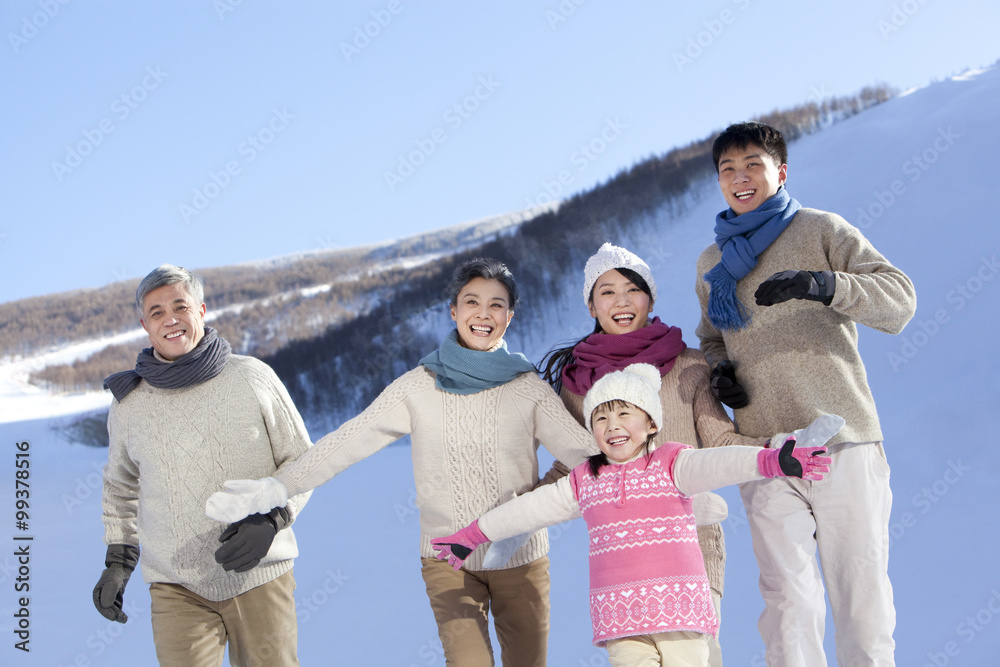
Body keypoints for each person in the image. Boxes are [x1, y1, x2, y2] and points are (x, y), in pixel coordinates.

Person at [204, 257, 598, 667]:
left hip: (521, 560)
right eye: (472, 302)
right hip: (449, 560)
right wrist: (279, 487)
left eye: (496, 304)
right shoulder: (418, 386)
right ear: (454, 310)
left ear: (510, 316)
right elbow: (349, 440)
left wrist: (530, 510)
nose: (483, 314)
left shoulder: (528, 389)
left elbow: (589, 461)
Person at [432, 363, 835, 667]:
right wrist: (473, 534)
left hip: (680, 613)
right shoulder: (584, 481)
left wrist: (773, 461)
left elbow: (721, 463)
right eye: (601, 418)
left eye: (624, 413)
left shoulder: (671, 463)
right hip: (621, 621)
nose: (612, 425)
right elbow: (528, 510)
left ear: (650, 423)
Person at [694, 121, 917, 666]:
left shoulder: (821, 229)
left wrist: (826, 285)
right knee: (789, 607)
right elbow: (710, 337)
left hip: (843, 438)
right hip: (767, 451)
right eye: (728, 170)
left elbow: (900, 299)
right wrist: (720, 370)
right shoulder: (712, 264)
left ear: (781, 172)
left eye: (753, 165)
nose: (740, 178)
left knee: (859, 601)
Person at [539, 241, 774, 666]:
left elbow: (721, 443)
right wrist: (509, 512)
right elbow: (569, 466)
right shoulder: (576, 385)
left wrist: (783, 450)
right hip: (621, 568)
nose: (622, 301)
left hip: (691, 551)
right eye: (607, 291)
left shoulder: (690, 366)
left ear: (651, 298)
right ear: (591, 306)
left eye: (633, 289)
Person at [93, 264, 313, 667]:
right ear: (145, 325)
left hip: (259, 575)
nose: (170, 319)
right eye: (157, 312)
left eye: (180, 306)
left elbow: (302, 461)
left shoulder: (252, 377)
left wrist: (272, 521)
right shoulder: (130, 404)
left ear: (202, 310)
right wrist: (119, 560)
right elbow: (121, 486)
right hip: (176, 584)